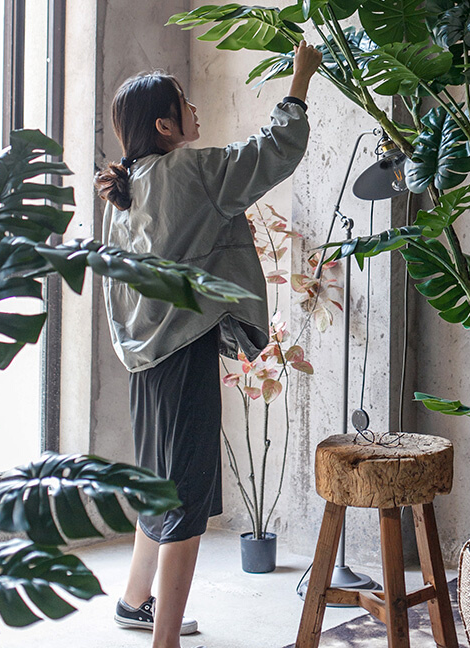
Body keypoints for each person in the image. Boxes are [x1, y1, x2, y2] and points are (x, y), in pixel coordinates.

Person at [94, 41, 322, 648]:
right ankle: (166, 640)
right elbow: (276, 151)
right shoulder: (190, 173)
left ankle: (134, 603)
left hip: (144, 360)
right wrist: (299, 79)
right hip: (182, 355)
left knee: (157, 483)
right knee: (188, 500)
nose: (196, 108)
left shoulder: (125, 191)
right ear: (166, 126)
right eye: (185, 104)